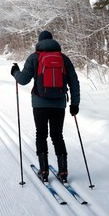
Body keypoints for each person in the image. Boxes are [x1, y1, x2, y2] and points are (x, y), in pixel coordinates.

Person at [10, 30, 80, 182]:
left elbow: (23, 80)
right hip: (59, 104)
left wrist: (15, 72)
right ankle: (63, 171)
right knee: (57, 135)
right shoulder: (64, 59)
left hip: (39, 104)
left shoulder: (34, 57)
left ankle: (43, 170)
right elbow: (74, 81)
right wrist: (75, 104)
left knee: (41, 134)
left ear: (39, 41)